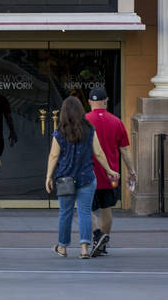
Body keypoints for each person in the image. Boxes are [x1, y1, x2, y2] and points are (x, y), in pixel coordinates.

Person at [45, 95, 119, 259]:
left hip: (65, 178)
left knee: (65, 213)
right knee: (85, 212)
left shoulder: (60, 132)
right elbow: (98, 153)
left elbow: (53, 156)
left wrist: (48, 176)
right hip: (86, 177)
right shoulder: (89, 130)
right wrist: (109, 170)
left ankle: (63, 247)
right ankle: (84, 249)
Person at [85, 87, 135, 257]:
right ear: (106, 101)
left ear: (90, 102)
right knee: (106, 209)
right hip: (110, 174)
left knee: (87, 209)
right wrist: (131, 170)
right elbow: (125, 150)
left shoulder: (84, 120)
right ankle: (103, 243)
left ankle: (97, 235)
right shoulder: (116, 121)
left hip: (88, 173)